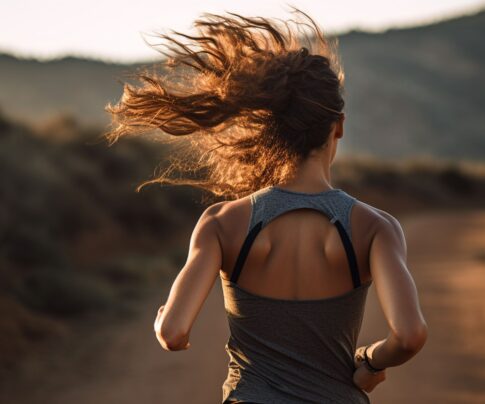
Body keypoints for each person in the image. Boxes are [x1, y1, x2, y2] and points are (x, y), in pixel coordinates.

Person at [105, 6, 428, 403]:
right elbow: (410, 335)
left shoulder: (221, 223)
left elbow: (174, 333)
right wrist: (370, 362)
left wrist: (160, 323)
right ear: (338, 126)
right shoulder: (375, 227)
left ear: (267, 128)